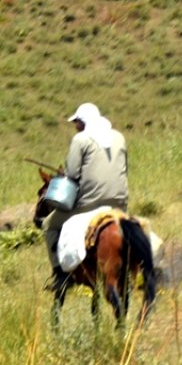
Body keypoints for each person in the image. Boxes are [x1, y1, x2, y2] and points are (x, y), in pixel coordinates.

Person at [43, 102, 129, 287]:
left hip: (91, 202)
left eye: (77, 122)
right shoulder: (119, 137)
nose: (75, 126)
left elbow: (72, 174)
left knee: (48, 225)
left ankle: (60, 275)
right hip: (120, 203)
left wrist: (64, 175)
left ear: (83, 122)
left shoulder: (80, 140)